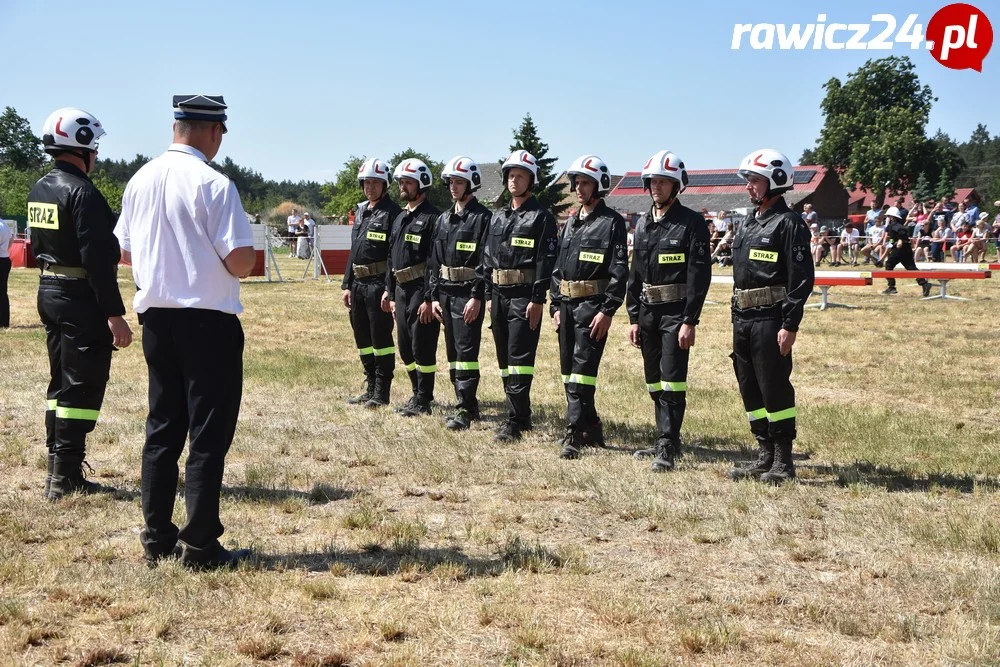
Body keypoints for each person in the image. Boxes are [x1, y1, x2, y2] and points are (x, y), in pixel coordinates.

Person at [115, 94, 255, 569]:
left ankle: (156, 536)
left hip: (156, 318)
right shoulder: (214, 183)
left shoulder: (139, 179)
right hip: (206, 321)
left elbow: (127, 253)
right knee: (208, 434)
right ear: (213, 130)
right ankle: (200, 544)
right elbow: (240, 260)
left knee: (162, 427)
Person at [28, 107, 132, 501]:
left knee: (60, 381)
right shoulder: (83, 193)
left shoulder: (40, 187)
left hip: (49, 291)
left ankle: (59, 465)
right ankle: (65, 475)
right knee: (83, 385)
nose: (98, 154)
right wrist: (114, 314)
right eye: (96, 146)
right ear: (83, 145)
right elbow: (97, 261)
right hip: (79, 297)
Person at [728, 149, 814, 485]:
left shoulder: (789, 223)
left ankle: (783, 459)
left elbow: (801, 279)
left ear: (776, 181)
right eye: (748, 180)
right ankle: (763, 453)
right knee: (749, 386)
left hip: (770, 319)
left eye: (754, 180)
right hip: (743, 317)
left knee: (773, 386)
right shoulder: (750, 221)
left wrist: (789, 324)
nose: (748, 186)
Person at [626, 150, 711, 472]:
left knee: (673, 378)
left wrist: (690, 320)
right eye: (653, 182)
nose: (656, 187)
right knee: (653, 379)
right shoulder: (644, 223)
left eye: (664, 182)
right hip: (647, 312)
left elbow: (698, 275)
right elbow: (635, 274)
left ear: (677, 186)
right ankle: (665, 436)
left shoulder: (692, 224)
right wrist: (633, 316)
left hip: (676, 314)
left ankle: (667, 442)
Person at [548, 155, 628, 460]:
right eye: (576, 182)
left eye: (584, 183)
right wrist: (555, 304)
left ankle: (574, 431)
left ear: (599, 186)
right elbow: (558, 268)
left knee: (582, 370)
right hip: (567, 307)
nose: (578, 188)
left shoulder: (612, 223)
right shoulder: (571, 223)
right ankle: (592, 425)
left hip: (593, 308)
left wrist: (607, 311)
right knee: (569, 371)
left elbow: (619, 272)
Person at [482, 150, 558, 442]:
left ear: (531, 181)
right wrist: (489, 294)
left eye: (520, 176)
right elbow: (488, 258)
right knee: (504, 359)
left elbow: (545, 261)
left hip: (525, 297)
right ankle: (516, 413)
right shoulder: (498, 217)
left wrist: (538, 299)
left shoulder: (541, 218)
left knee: (519, 357)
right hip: (499, 296)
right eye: (511, 175)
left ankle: (517, 419)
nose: (514, 180)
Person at [429, 156, 492, 430]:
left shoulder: (483, 219)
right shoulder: (443, 219)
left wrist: (478, 296)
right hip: (445, 294)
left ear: (471, 184)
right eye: (451, 182)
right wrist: (432, 297)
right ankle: (464, 403)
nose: (453, 187)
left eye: (459, 182)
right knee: (453, 352)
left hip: (468, 295)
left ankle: (466, 407)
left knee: (466, 351)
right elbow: (434, 261)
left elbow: (485, 262)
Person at [384, 158, 442, 417]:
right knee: (405, 347)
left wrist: (430, 298)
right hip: (400, 290)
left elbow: (434, 261)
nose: (402, 187)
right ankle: (415, 392)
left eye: (408, 182)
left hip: (421, 290)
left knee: (422, 345)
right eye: (401, 182)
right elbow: (390, 256)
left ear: (422, 185)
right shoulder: (400, 218)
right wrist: (389, 291)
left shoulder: (433, 218)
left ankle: (424, 398)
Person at [342, 158, 401, 408]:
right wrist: (346, 284)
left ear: (385, 185)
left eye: (376, 183)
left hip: (378, 286)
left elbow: (393, 255)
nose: (371, 187)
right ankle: (369, 385)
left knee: (381, 339)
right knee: (362, 337)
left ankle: (382, 391)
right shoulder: (362, 211)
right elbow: (354, 250)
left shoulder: (393, 214)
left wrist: (389, 289)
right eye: (367, 183)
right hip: (358, 285)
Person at [881, 207, 932, 296]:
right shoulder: (901, 226)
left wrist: (882, 257)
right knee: (911, 268)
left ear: (892, 217)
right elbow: (901, 237)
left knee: (889, 265)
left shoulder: (891, 226)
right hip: (907, 249)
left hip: (899, 250)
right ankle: (924, 283)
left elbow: (892, 241)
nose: (887, 218)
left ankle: (891, 287)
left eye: (888, 216)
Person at [0, 219, 11, 328]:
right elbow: (11, 240)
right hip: (5, 258)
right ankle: (4, 321)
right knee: (3, 292)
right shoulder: (4, 224)